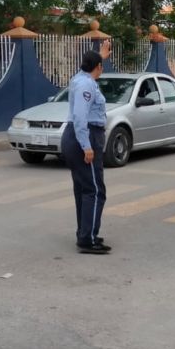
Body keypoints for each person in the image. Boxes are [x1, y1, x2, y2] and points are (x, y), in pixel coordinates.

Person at [60, 48, 110, 255]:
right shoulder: (86, 85)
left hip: (77, 136)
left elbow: (91, 67)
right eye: (101, 65)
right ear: (98, 67)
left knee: (83, 190)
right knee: (95, 190)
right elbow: (81, 116)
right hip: (85, 136)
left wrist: (100, 56)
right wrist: (87, 146)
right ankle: (87, 239)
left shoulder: (80, 78)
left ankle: (85, 233)